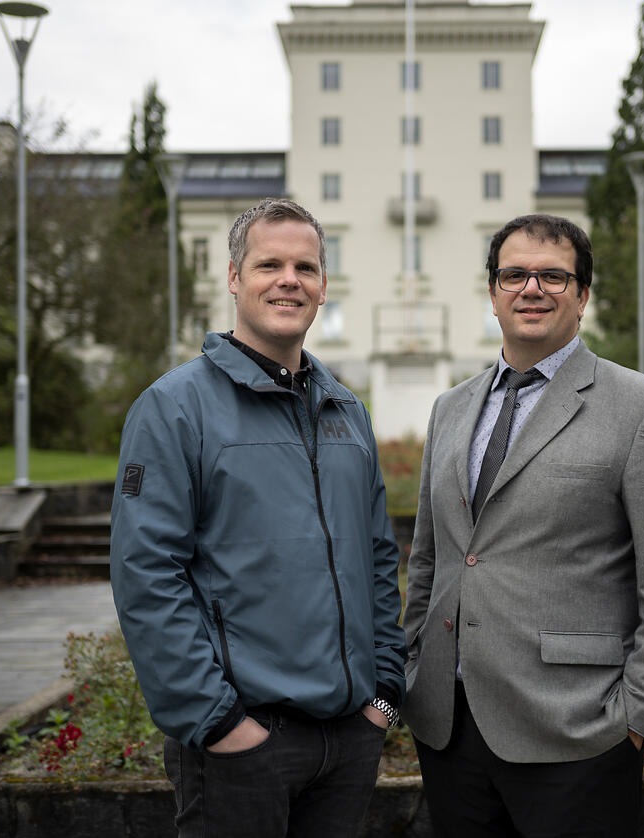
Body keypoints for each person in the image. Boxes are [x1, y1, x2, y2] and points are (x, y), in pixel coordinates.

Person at [402, 213, 644, 837]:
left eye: (553, 276)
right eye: (514, 275)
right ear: (493, 292)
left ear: (583, 294)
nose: (532, 289)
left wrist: (641, 715)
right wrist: (414, 665)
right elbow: (432, 557)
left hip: (578, 732)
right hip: (449, 730)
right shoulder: (450, 408)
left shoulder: (643, 408)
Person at [110, 198, 406, 838]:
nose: (288, 280)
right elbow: (146, 573)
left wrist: (384, 694)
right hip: (242, 744)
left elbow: (378, 558)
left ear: (323, 285)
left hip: (350, 740)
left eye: (306, 267)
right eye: (269, 264)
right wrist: (218, 723)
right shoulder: (174, 407)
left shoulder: (347, 411)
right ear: (234, 277)